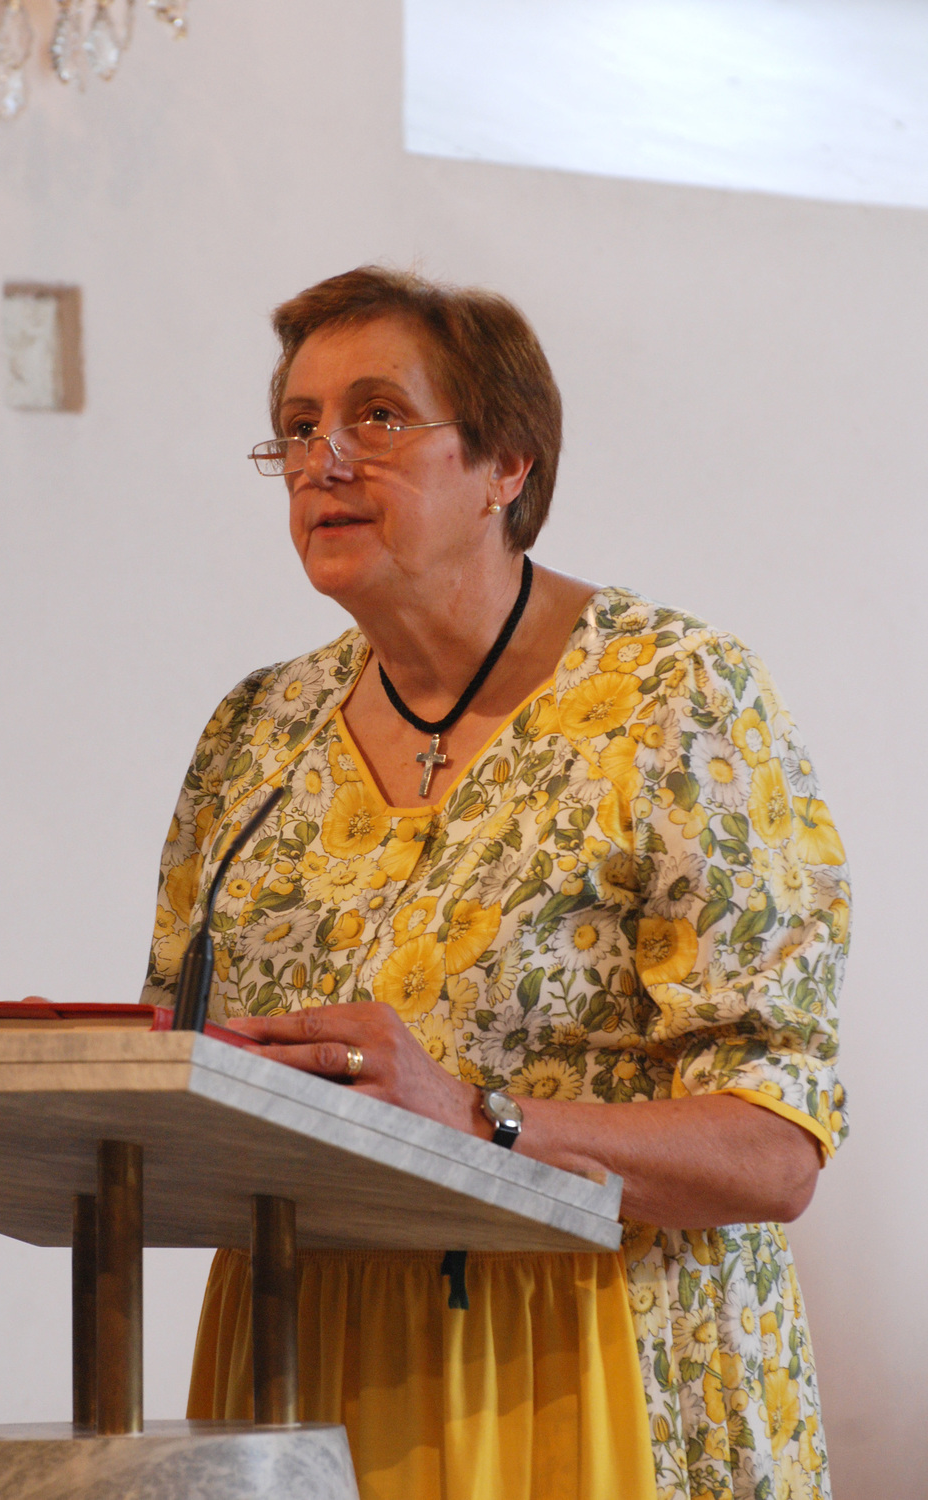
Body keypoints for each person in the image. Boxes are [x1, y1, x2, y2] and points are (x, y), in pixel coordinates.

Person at [142, 266, 849, 1500]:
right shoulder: (257, 733)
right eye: (298, 427)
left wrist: (478, 1119)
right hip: (305, 1360)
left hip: (589, 1371)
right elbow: (185, 1063)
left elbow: (772, 1145)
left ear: (505, 465)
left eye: (376, 417)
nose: (322, 460)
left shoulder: (674, 702)